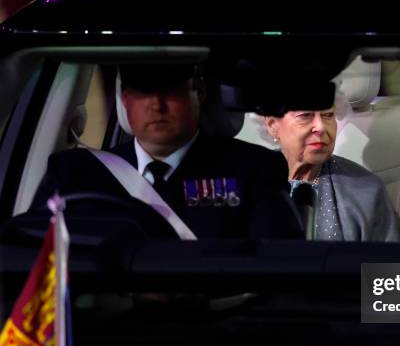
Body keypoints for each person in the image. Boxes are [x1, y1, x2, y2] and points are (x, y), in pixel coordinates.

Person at [25, 63, 303, 241]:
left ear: (200, 92)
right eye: (143, 92)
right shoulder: (74, 174)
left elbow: (278, 270)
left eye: (172, 91)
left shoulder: (253, 169)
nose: (156, 105)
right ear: (125, 101)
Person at [264, 107, 400, 242]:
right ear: (272, 125)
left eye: (328, 115)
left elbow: (395, 266)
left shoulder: (367, 191)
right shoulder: (248, 179)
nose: (320, 127)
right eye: (305, 115)